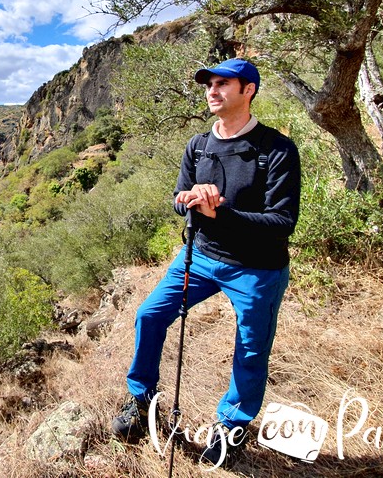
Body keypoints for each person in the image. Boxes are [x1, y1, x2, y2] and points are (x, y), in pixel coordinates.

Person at [111, 58, 301, 466]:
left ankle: (232, 426)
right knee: (149, 315)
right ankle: (141, 399)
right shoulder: (198, 145)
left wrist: (222, 212)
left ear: (248, 90)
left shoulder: (277, 150)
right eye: (209, 85)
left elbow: (283, 221)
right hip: (199, 258)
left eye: (223, 84)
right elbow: (180, 200)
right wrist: (188, 201)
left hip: (257, 269)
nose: (212, 91)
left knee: (250, 350)